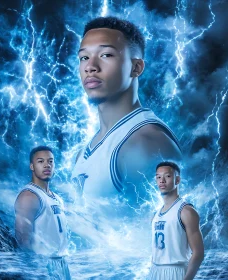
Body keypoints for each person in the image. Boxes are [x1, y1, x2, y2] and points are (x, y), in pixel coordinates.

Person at [72, 16, 182, 206]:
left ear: (136, 67)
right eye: (84, 57)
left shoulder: (145, 143)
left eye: (106, 55)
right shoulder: (83, 152)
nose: (90, 67)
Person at [15, 146, 71, 280]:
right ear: (32, 166)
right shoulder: (29, 196)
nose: (47, 165)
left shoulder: (56, 198)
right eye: (40, 161)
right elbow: (22, 241)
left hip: (61, 263)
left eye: (50, 161)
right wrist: (34, 272)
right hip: (42, 267)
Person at [149, 161, 204, 280]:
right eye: (158, 177)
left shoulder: (186, 211)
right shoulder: (155, 215)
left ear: (177, 180)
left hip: (176, 271)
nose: (162, 180)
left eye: (167, 176)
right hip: (155, 270)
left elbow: (198, 253)